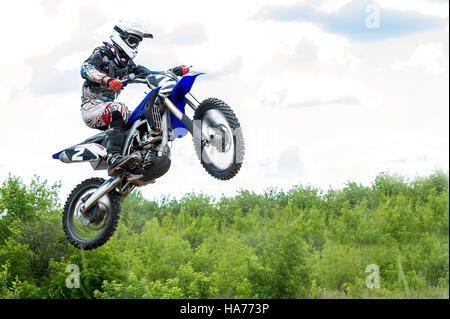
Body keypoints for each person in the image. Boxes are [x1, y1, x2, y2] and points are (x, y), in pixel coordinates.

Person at [80, 21, 189, 176]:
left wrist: (172, 72)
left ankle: (139, 156)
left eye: (137, 42)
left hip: (109, 109)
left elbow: (148, 73)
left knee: (141, 118)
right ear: (121, 37)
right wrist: (107, 79)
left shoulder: (128, 64)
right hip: (91, 107)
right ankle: (112, 158)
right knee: (119, 108)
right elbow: (86, 68)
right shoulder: (103, 53)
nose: (135, 45)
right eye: (132, 41)